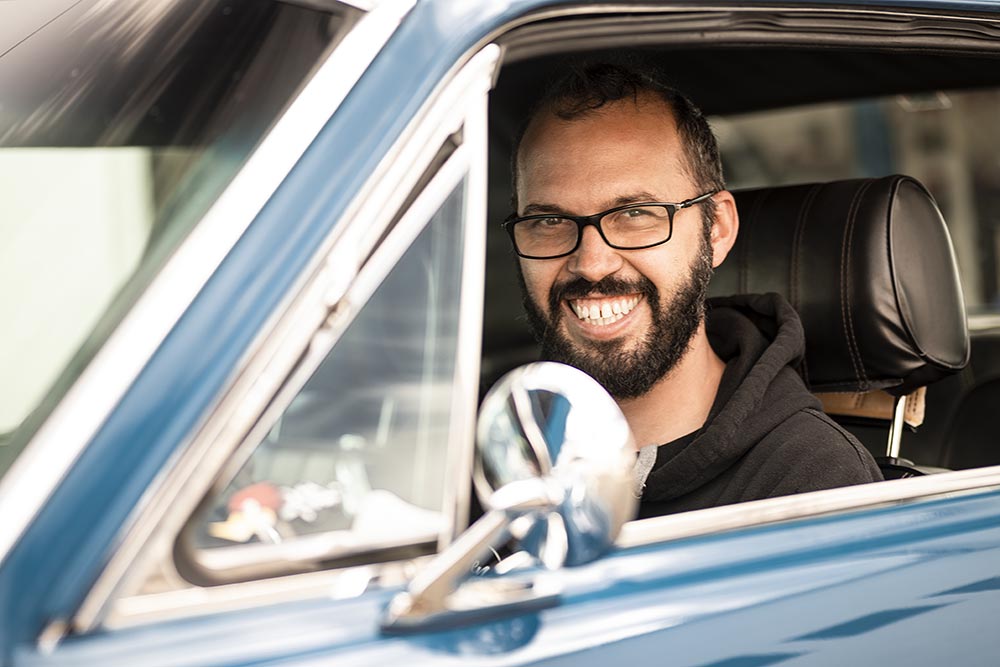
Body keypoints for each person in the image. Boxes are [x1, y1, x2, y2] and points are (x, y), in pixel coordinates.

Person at [505, 62, 882, 517]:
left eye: (636, 213)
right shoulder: (493, 457)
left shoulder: (811, 485)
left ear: (716, 229)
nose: (591, 263)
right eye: (549, 221)